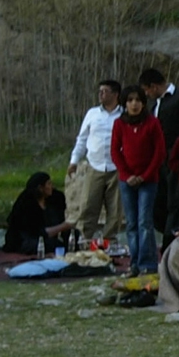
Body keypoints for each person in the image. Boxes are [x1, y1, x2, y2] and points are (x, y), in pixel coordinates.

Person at [111, 85, 164, 273]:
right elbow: (115, 152)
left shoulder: (152, 123)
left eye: (138, 100)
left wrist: (144, 176)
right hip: (127, 180)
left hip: (148, 180)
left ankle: (148, 262)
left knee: (144, 221)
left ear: (143, 103)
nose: (134, 104)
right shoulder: (119, 124)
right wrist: (127, 175)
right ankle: (134, 261)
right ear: (125, 103)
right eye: (130, 100)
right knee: (131, 223)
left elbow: (159, 153)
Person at [68, 79, 122, 242]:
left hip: (117, 167)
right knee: (88, 205)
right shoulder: (92, 114)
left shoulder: (124, 115)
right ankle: (83, 240)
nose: (101, 94)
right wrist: (74, 160)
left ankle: (108, 242)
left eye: (105, 91)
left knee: (115, 209)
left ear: (115, 94)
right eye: (100, 91)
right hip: (95, 165)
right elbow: (82, 139)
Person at [140, 68, 179, 233]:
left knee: (178, 200)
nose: (147, 95)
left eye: (146, 90)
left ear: (153, 86)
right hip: (160, 161)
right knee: (161, 203)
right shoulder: (155, 105)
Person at [4, 172, 74, 256]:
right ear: (40, 188)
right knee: (49, 245)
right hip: (26, 240)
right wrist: (63, 226)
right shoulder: (26, 204)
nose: (52, 186)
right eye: (49, 184)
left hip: (48, 237)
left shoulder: (54, 199)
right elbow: (37, 232)